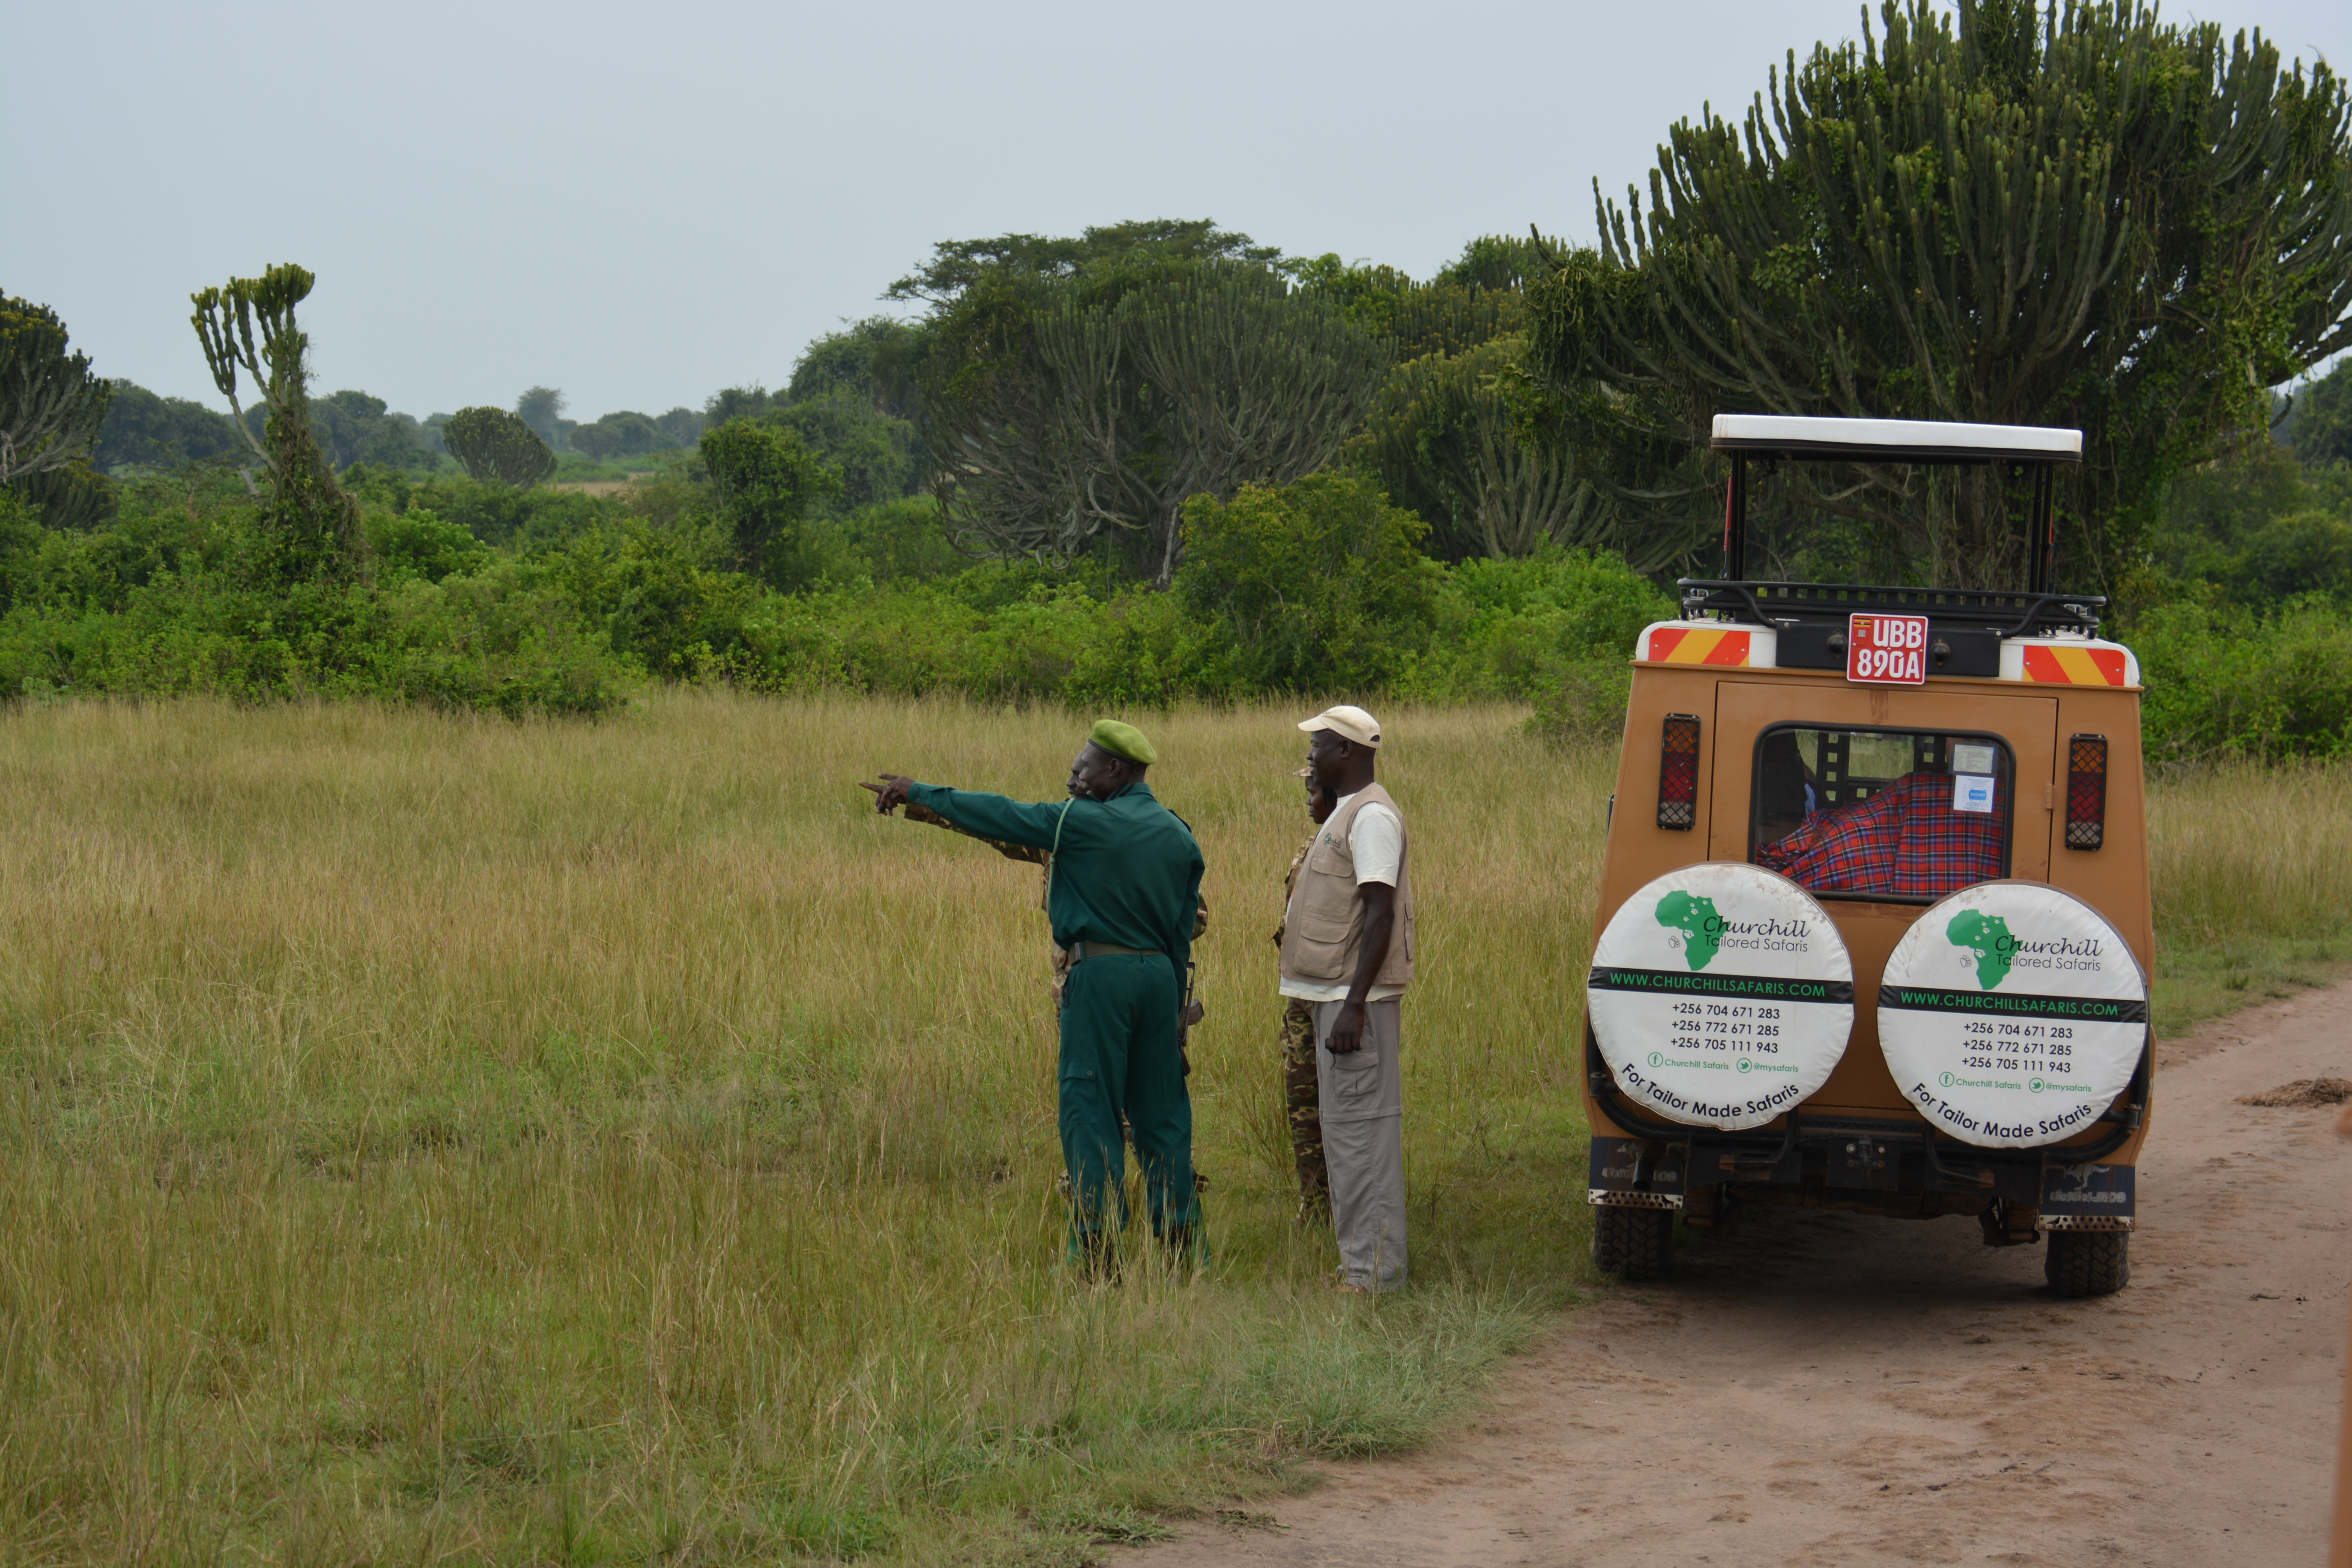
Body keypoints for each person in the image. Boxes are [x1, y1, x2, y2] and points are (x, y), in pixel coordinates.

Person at [864, 720, 1207, 1276]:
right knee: (1164, 1115)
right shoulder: (1177, 832)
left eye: (1084, 767)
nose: (1074, 776)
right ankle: (1182, 1255)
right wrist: (1169, 1007)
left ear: (1116, 770)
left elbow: (1003, 814)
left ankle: (1096, 1256)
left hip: (1100, 975)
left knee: (1089, 1108)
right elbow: (1182, 928)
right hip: (1161, 979)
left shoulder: (1081, 822)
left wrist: (919, 791)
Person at [1279, 704, 1414, 1292]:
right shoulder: (1345, 815)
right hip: (1335, 997)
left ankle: (1371, 1278)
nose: (1311, 756)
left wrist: (1356, 1003)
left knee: (1361, 1136)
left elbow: (1380, 912)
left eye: (1320, 746)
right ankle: (1359, 1268)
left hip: (1352, 1003)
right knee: (1345, 1135)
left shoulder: (1372, 817)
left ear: (1349, 754)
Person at [1274, 768, 1338, 1221]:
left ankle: (1345, 1200)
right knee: (1302, 1100)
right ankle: (1314, 1201)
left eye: (1314, 792)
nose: (1308, 800)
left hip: (1335, 996)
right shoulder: (1310, 846)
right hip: (1301, 995)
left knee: (1340, 1101)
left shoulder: (1349, 847)